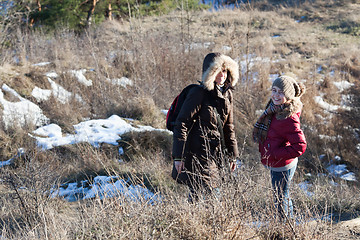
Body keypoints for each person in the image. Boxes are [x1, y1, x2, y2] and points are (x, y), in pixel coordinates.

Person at [172, 52, 239, 203]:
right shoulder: (198, 93)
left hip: (216, 153)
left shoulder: (227, 95)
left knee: (204, 193)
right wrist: (178, 156)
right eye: (217, 71)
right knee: (208, 194)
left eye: (224, 70)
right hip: (197, 152)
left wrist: (232, 155)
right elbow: (181, 123)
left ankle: (199, 222)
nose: (222, 75)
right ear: (209, 72)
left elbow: (229, 127)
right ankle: (200, 223)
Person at [253, 75, 307, 219]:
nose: (276, 95)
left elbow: (300, 146)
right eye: (274, 90)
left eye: (281, 92)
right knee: (283, 194)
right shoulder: (275, 109)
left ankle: (284, 228)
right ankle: (289, 225)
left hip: (282, 165)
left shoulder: (288, 117)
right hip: (277, 162)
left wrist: (275, 153)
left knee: (280, 198)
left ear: (288, 95)